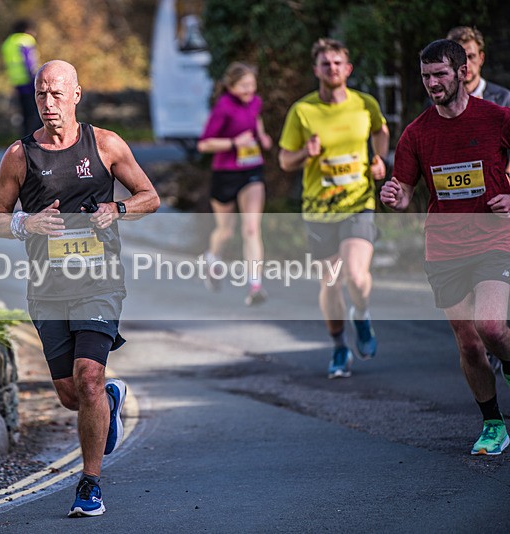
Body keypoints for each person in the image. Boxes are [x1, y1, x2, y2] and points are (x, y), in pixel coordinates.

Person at [0, 60, 160, 516]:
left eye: (57, 94)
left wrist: (118, 211)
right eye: (41, 94)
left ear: (77, 95)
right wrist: (28, 223)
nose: (48, 103)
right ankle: (110, 400)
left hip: (99, 282)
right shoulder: (19, 155)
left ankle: (90, 483)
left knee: (88, 378)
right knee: (70, 393)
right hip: (47, 287)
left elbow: (150, 196)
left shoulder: (104, 144)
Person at [381, 39, 510, 455]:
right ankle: (493, 423)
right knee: (469, 341)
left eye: (439, 74)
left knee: (491, 327)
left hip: (494, 237)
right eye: (425, 76)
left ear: (461, 71)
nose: (432, 83)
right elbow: (404, 191)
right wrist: (394, 196)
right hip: (445, 247)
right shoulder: (417, 133)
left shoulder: (497, 118)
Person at [278, 38, 389, 378]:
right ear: (316, 70)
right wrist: (305, 154)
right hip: (319, 208)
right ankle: (340, 345)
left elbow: (381, 130)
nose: (332, 69)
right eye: (326, 64)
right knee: (331, 282)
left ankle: (363, 314)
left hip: (358, 201)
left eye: (338, 63)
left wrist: (379, 159)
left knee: (355, 274)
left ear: (348, 68)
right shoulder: (303, 111)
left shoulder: (364, 104)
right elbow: (284, 160)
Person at [447, 26, 510, 375]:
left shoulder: (502, 100)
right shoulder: (440, 102)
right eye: (458, 58)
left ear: (480, 58)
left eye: (470, 56)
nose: (465, 65)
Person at [197, 62, 273, 305]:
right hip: (225, 173)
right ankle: (212, 257)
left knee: (251, 229)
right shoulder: (223, 108)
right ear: (230, 87)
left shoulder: (255, 102)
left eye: (252, 85)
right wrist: (233, 143)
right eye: (244, 86)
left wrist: (262, 136)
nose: (250, 90)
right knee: (226, 231)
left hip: (251, 171)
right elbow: (204, 144)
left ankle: (255, 286)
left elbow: (255, 119)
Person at [1, 19, 44, 137]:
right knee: (36, 112)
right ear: (27, 30)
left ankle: (26, 138)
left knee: (25, 113)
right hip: (29, 82)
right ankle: (38, 138)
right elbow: (29, 61)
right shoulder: (25, 40)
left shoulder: (8, 42)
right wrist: (37, 77)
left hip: (18, 82)